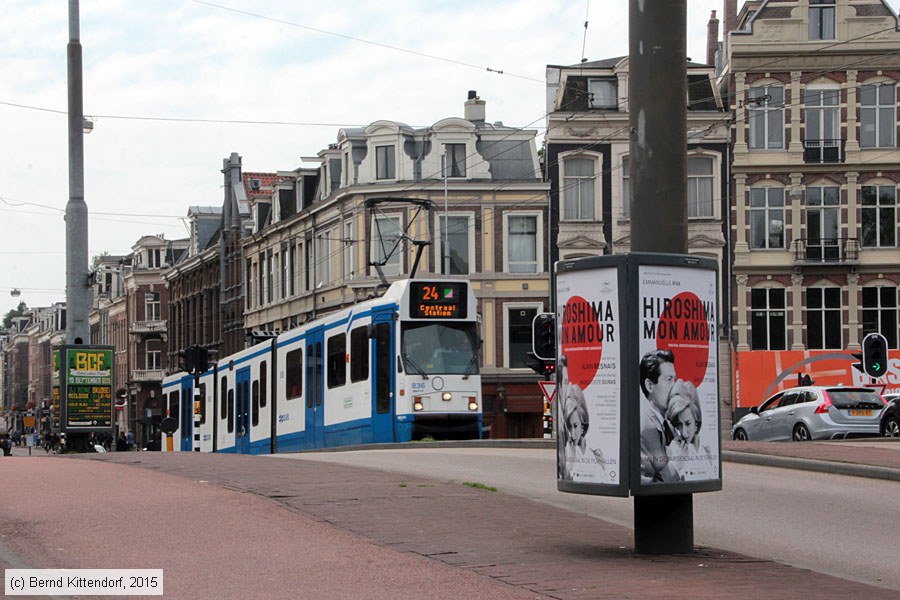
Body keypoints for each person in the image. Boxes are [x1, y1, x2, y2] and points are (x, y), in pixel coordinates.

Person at [639, 349, 680, 483]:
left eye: (674, 379)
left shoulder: (668, 425)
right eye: (668, 379)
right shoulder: (644, 427)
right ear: (649, 385)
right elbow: (647, 483)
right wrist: (675, 465)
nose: (674, 385)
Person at [666, 380, 715, 481]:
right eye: (679, 425)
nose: (684, 432)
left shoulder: (707, 448)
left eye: (688, 423)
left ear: (696, 421)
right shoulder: (675, 448)